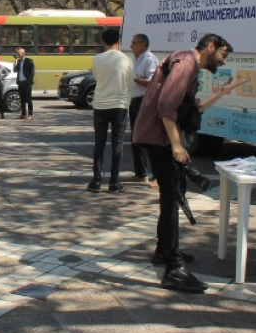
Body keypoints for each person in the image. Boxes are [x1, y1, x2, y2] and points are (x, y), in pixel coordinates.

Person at [132, 33, 245, 293]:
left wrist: (223, 93)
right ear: (210, 46)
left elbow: (192, 110)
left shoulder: (187, 64)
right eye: (223, 54)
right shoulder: (186, 63)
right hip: (157, 137)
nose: (223, 61)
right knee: (171, 198)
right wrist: (176, 145)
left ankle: (164, 251)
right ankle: (174, 269)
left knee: (171, 196)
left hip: (155, 136)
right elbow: (166, 107)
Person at [87, 28, 133, 194]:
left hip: (100, 104)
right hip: (119, 105)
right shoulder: (127, 59)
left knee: (99, 143)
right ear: (118, 40)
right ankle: (114, 182)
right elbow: (130, 83)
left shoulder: (97, 59)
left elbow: (97, 78)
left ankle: (96, 181)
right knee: (117, 144)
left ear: (103, 41)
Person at [128, 33, 159, 183]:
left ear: (144, 45)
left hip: (144, 101)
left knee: (147, 138)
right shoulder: (136, 59)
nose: (131, 46)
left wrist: (134, 79)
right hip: (135, 101)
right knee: (135, 137)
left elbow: (152, 82)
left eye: (134, 43)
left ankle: (155, 175)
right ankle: (140, 173)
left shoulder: (149, 59)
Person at [13, 46, 35, 120]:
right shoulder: (18, 61)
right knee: (22, 99)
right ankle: (23, 114)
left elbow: (32, 72)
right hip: (20, 83)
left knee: (28, 99)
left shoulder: (29, 61)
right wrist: (15, 63)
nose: (17, 54)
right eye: (17, 53)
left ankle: (30, 114)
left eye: (18, 53)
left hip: (27, 83)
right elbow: (15, 70)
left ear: (23, 53)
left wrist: (28, 81)